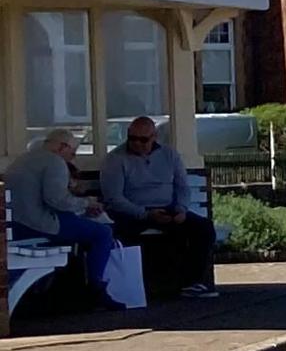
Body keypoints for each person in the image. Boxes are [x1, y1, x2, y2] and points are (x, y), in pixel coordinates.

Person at [96, 115, 217, 300]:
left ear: (154, 137)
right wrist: (145, 214)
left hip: (167, 208)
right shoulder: (115, 160)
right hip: (131, 212)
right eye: (133, 139)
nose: (137, 143)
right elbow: (114, 198)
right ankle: (127, 287)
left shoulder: (169, 154)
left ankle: (193, 282)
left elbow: (182, 186)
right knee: (119, 235)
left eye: (143, 139)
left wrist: (181, 209)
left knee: (203, 228)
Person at [10, 129, 123, 291]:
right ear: (63, 147)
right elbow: (57, 201)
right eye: (73, 153)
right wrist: (87, 203)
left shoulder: (22, 160)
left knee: (83, 227)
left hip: (15, 227)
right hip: (40, 226)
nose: (72, 158)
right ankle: (96, 286)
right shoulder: (54, 162)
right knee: (102, 233)